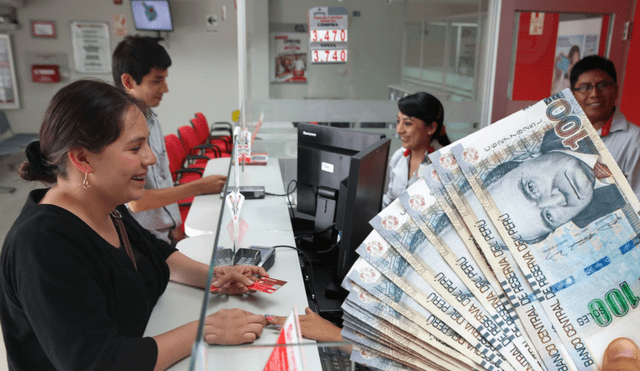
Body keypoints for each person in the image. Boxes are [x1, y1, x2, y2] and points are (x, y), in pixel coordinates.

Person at [0, 80, 267, 371]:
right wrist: (205, 329)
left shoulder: (106, 205)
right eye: (135, 148)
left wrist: (216, 277)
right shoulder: (42, 245)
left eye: (147, 144)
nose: (150, 158)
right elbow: (98, 363)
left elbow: (154, 252)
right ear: (82, 158)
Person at [112, 35, 227, 244]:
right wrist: (199, 186)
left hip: (162, 234)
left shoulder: (151, 120)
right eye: (157, 80)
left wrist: (174, 224)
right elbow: (137, 202)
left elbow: (162, 179)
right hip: (140, 240)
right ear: (128, 81)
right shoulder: (118, 131)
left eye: (165, 79)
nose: (165, 89)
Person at [570, 55, 640, 200]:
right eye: (585, 88)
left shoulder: (634, 139)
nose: (594, 94)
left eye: (603, 85)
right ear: (572, 95)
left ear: (615, 89)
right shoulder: (563, 132)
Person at [382, 92, 451, 207]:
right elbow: (390, 200)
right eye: (398, 121)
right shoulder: (399, 156)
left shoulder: (445, 163)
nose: (399, 130)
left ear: (431, 128)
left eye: (408, 123)